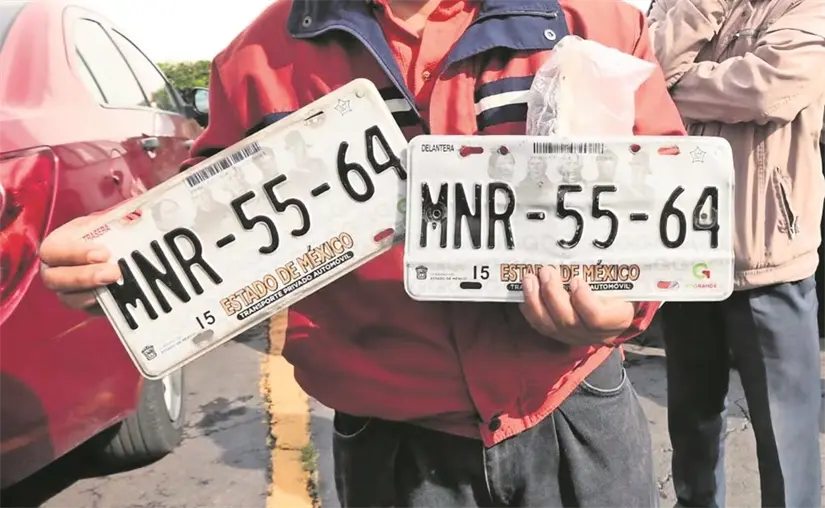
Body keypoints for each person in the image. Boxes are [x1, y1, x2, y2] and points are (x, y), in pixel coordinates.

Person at [38, 0, 686, 506]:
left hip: (573, 408)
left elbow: (664, 206)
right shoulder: (256, 58)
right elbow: (199, 228)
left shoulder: (597, 23)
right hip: (392, 443)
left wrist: (623, 305)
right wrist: (118, 266)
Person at [647, 1, 825, 507]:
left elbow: (768, 89)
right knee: (693, 433)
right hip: (686, 256)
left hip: (770, 258)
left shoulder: (808, 8)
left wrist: (676, 87)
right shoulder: (692, 5)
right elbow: (647, 67)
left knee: (786, 444)